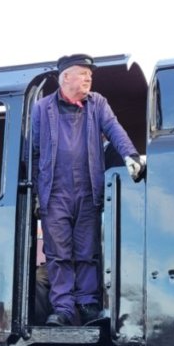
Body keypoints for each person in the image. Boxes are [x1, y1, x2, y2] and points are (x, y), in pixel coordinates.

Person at [31, 54, 144, 327]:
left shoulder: (98, 104)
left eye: (90, 74)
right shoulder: (42, 109)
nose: (88, 78)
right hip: (55, 191)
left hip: (87, 187)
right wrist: (36, 190)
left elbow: (114, 129)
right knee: (58, 253)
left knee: (87, 249)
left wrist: (130, 154)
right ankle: (64, 308)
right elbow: (32, 152)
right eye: (83, 73)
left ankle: (88, 304)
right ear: (65, 76)